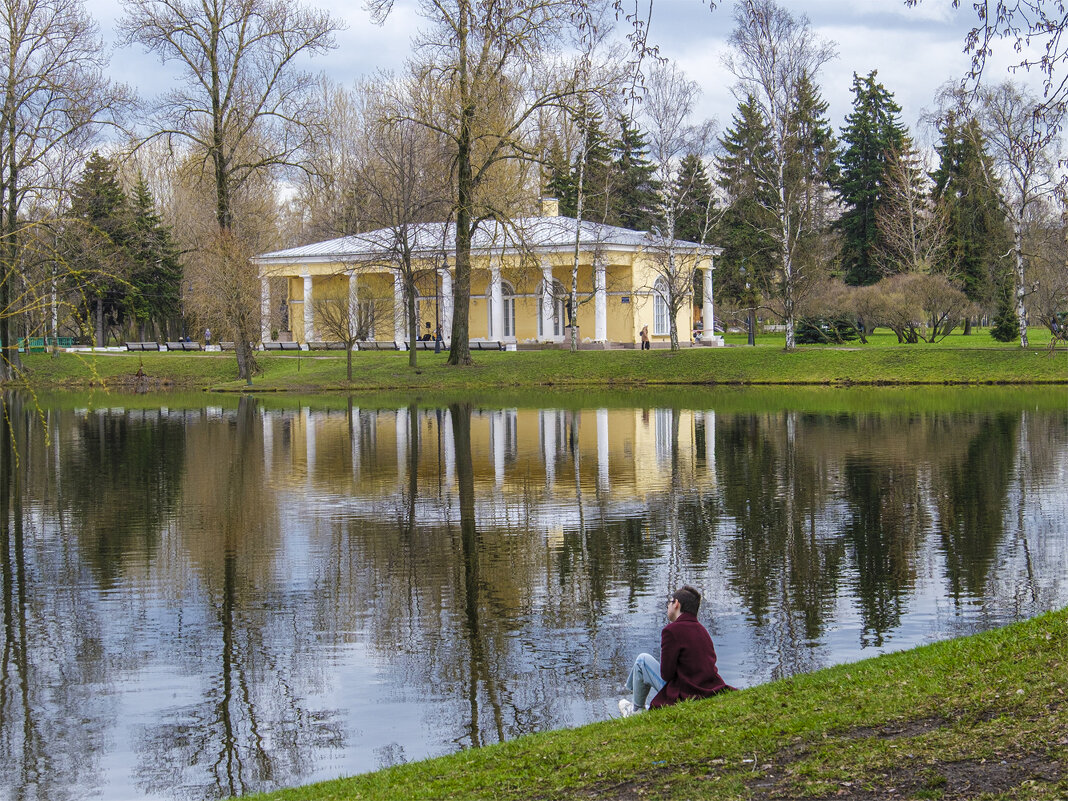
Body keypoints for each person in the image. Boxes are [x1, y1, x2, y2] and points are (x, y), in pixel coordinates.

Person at [618, 585, 733, 717]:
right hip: (706, 689)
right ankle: (635, 704)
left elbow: (666, 674)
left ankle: (636, 710)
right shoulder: (702, 631)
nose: (668, 606)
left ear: (676, 603)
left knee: (642, 661)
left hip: (686, 692)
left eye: (670, 602)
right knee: (642, 664)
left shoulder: (672, 631)